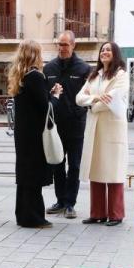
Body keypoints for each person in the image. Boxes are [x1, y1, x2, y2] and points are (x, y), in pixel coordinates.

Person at [75, 41, 129, 226]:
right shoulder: (94, 76)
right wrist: (95, 98)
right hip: (96, 129)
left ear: (115, 54)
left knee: (113, 171)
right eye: (102, 50)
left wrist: (92, 106)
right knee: (96, 169)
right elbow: (79, 97)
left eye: (108, 50)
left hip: (112, 128)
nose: (104, 52)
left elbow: (112, 99)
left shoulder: (121, 75)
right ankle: (97, 212)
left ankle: (116, 214)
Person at [8, 40, 60, 228]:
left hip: (23, 134)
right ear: (35, 55)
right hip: (35, 135)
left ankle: (22, 214)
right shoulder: (36, 76)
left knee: (24, 175)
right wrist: (55, 97)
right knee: (33, 176)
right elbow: (45, 108)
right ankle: (34, 217)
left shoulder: (20, 76)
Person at [44, 31, 91, 220]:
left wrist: (78, 112)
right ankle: (60, 200)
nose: (62, 48)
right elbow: (45, 95)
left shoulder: (84, 69)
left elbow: (88, 96)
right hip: (56, 126)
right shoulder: (49, 68)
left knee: (75, 166)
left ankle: (71, 203)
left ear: (73, 45)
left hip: (76, 126)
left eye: (65, 45)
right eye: (59, 44)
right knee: (57, 163)